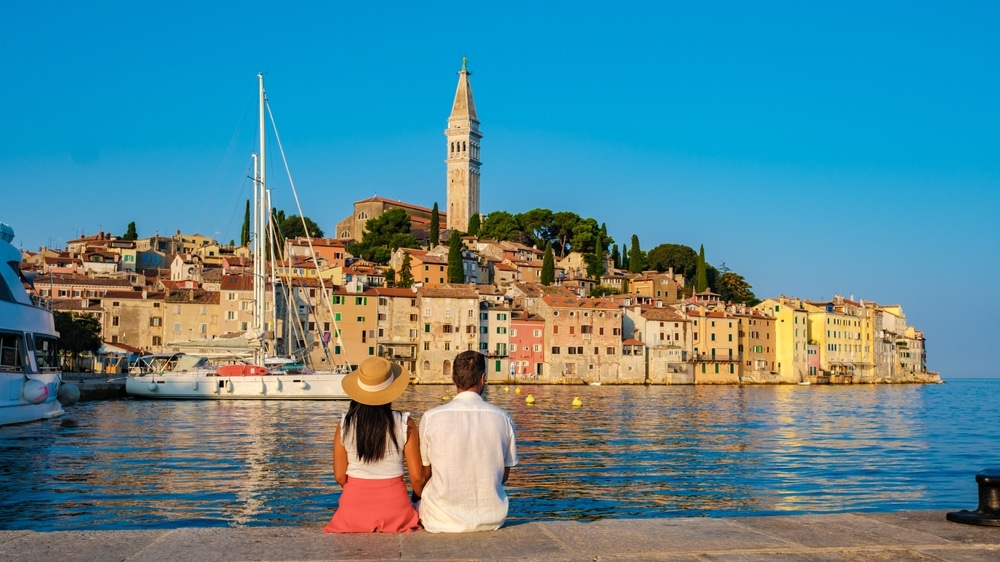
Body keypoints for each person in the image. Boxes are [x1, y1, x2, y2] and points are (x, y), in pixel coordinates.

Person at [418, 350, 517, 532]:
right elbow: (503, 475)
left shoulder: (431, 417)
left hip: (439, 519)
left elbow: (425, 474)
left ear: (453, 377)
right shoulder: (504, 418)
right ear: (482, 378)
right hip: (492, 519)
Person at [323, 357, 424, 533]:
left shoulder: (344, 426)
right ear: (391, 391)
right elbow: (416, 477)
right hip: (395, 508)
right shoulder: (405, 423)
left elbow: (340, 476)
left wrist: (360, 491)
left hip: (353, 508)